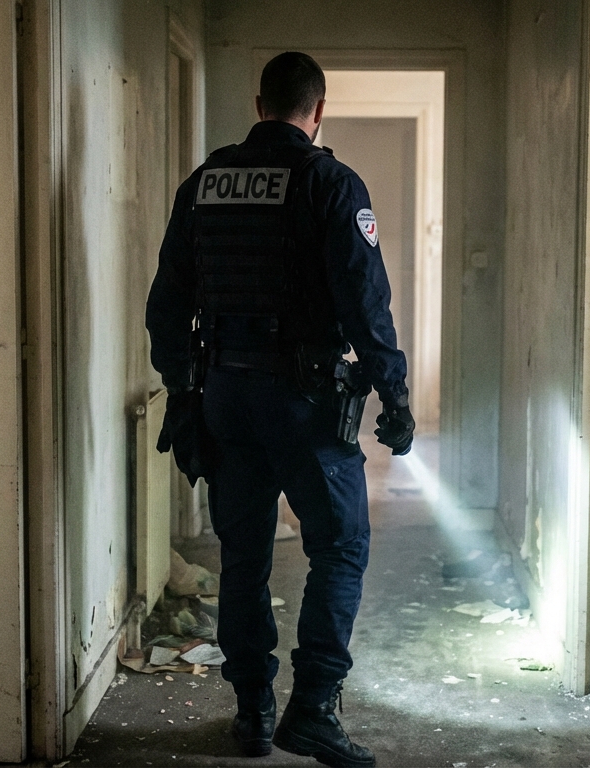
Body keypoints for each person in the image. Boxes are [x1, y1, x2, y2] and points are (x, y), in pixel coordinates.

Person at [145, 51, 414, 768]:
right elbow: (366, 306)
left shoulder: (206, 182)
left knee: (244, 556)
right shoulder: (331, 183)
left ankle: (252, 712)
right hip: (305, 399)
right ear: (316, 111)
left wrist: (181, 388)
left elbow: (166, 303)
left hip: (226, 395)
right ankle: (314, 709)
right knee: (341, 546)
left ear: (260, 105)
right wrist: (395, 392)